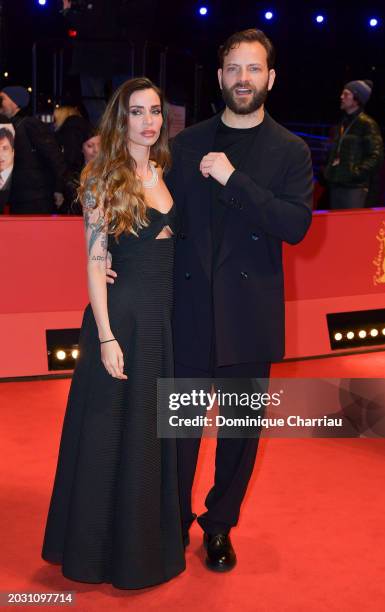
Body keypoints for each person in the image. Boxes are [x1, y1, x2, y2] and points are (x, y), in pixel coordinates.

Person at [107, 28, 313, 572]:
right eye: (233, 69)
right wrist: (112, 254)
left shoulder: (290, 150)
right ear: (220, 77)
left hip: (250, 320)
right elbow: (152, 206)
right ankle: (171, 523)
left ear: (270, 78)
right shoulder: (186, 142)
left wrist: (234, 179)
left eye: (253, 69)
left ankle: (219, 527)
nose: (242, 79)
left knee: (240, 439)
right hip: (189, 314)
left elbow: (295, 226)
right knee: (178, 435)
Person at [41, 77, 186, 589]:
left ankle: (141, 548)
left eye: (155, 112)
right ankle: (97, 551)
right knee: (108, 433)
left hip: (159, 323)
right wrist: (104, 337)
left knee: (146, 435)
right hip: (121, 319)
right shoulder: (105, 177)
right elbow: (95, 258)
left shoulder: (164, 171)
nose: (148, 121)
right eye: (136, 112)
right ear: (120, 119)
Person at [0, 86, 66, 214]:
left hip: (35, 198)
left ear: (15, 102)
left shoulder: (29, 124)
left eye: (2, 98)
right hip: (17, 197)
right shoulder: (8, 126)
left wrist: (59, 188)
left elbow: (53, 155)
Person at [323, 79, 384, 209]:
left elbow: (376, 156)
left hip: (354, 188)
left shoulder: (367, 124)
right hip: (337, 183)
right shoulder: (342, 122)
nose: (341, 97)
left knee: (351, 226)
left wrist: (355, 173)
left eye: (346, 94)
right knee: (336, 226)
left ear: (356, 99)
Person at [54, 103, 93, 214]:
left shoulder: (69, 130)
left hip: (72, 181)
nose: (54, 122)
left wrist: (59, 188)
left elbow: (68, 159)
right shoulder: (85, 127)